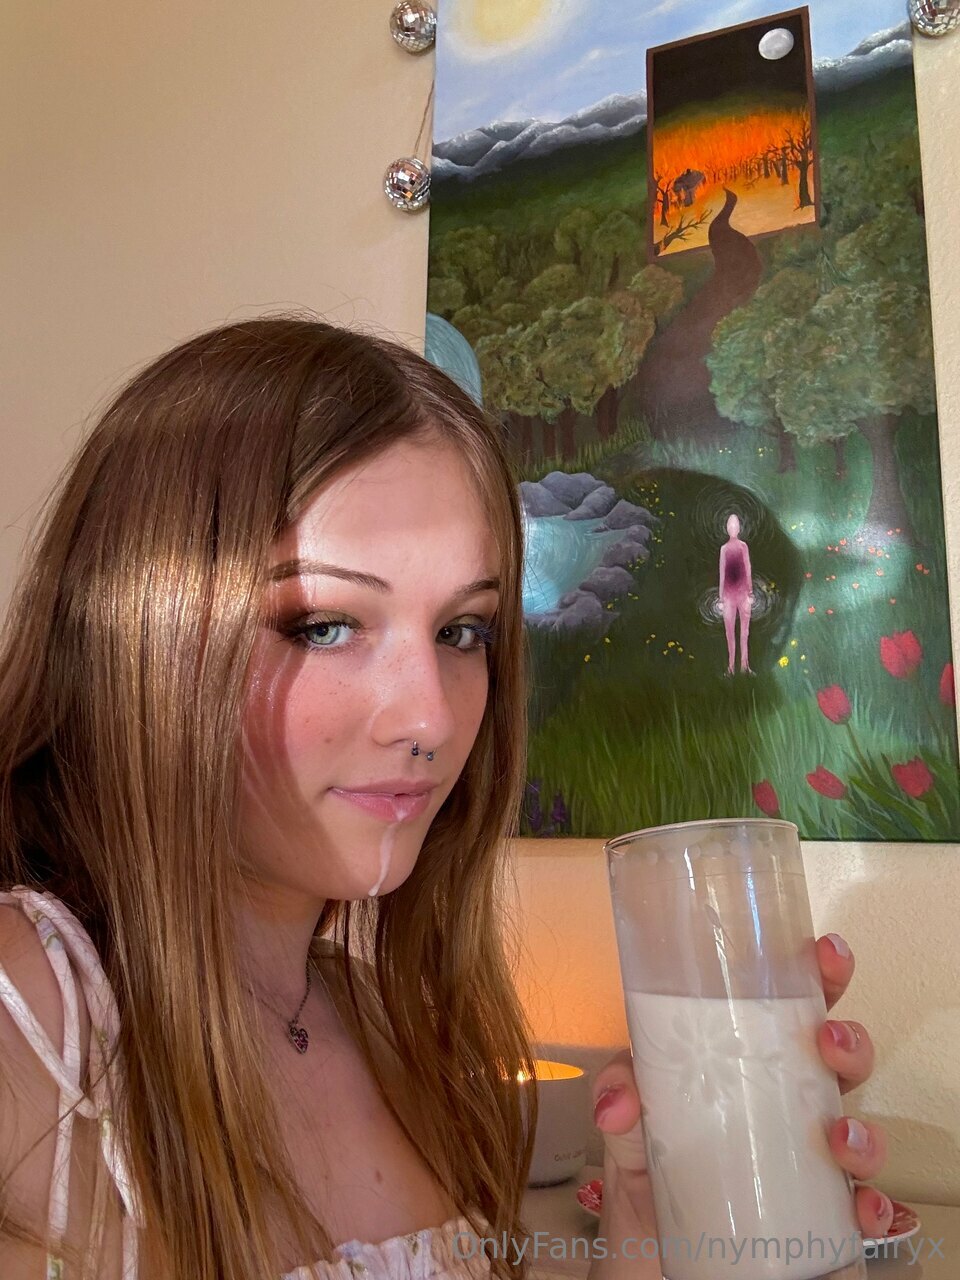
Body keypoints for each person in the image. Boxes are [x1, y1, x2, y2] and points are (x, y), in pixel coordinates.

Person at [0, 318, 889, 1280]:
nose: (431, 717)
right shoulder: (32, 1020)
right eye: (324, 624)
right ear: (137, 632)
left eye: (464, 631)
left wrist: (649, 1230)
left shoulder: (390, 1026)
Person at [719, 512, 754, 675]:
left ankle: (744, 666)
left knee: (744, 632)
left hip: (742, 594)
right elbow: (721, 573)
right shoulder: (723, 549)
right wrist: (721, 598)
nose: (733, 527)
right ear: (727, 528)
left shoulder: (743, 546)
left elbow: (748, 569)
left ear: (739, 528)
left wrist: (750, 592)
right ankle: (731, 667)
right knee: (730, 632)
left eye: (735, 525)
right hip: (728, 596)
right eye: (730, 525)